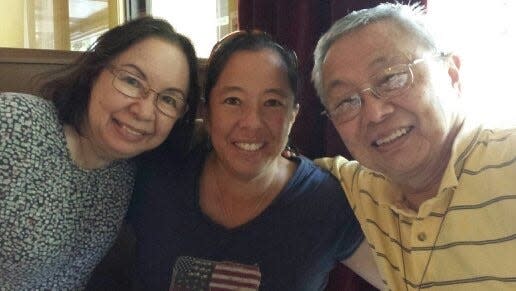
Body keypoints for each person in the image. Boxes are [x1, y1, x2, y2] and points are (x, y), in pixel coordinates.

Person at [129, 30, 382, 291]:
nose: (251, 122)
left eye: (272, 102)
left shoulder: (324, 201)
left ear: (293, 114)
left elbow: (408, 278)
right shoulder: (156, 178)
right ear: (207, 111)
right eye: (233, 101)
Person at [313, 2, 516, 290]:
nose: (374, 113)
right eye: (346, 101)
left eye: (392, 78)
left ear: (451, 74)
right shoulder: (361, 189)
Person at [0, 16, 200, 289]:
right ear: (96, 70)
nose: (143, 111)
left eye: (168, 99)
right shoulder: (14, 122)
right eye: (131, 81)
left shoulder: (129, 174)